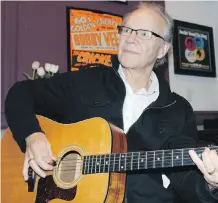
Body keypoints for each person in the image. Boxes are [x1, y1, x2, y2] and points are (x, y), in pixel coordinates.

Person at [5, 2, 218, 203]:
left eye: (144, 33)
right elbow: (20, 94)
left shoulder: (178, 110)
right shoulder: (86, 81)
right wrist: (32, 136)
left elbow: (186, 182)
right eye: (126, 30)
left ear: (162, 49)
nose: (131, 38)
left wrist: (211, 184)